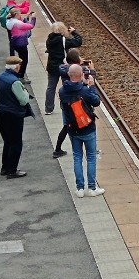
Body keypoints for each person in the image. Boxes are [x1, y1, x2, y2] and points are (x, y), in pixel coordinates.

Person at [60, 63, 102, 197]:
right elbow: (96, 102)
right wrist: (91, 86)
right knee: (90, 157)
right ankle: (92, 188)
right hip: (88, 128)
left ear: (69, 75)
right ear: (81, 75)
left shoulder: (62, 91)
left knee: (77, 157)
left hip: (73, 129)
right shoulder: (85, 90)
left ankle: (79, 188)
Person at [0, 56, 33, 179]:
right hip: (13, 114)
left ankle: (5, 167)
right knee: (16, 142)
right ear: (16, 67)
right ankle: (12, 169)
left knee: (7, 141)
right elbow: (23, 100)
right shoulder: (15, 81)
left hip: (1, 112)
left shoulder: (0, 78)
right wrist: (26, 94)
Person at [52, 48, 85, 158]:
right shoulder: (77, 70)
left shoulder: (63, 68)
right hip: (77, 100)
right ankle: (84, 148)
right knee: (82, 124)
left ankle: (57, 149)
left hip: (66, 101)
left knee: (66, 125)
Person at [44, 22, 83, 114]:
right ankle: (66, 105)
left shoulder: (49, 40)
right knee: (67, 86)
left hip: (52, 66)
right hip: (64, 66)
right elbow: (78, 41)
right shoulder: (63, 40)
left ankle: (48, 109)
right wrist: (74, 32)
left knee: (51, 87)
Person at [6, 9, 36, 78]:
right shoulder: (17, 23)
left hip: (15, 42)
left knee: (20, 58)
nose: (20, 15)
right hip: (21, 43)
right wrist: (33, 18)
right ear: (16, 14)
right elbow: (31, 26)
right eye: (19, 14)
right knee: (24, 60)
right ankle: (21, 75)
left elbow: (22, 24)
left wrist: (27, 17)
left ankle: (18, 72)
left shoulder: (9, 21)